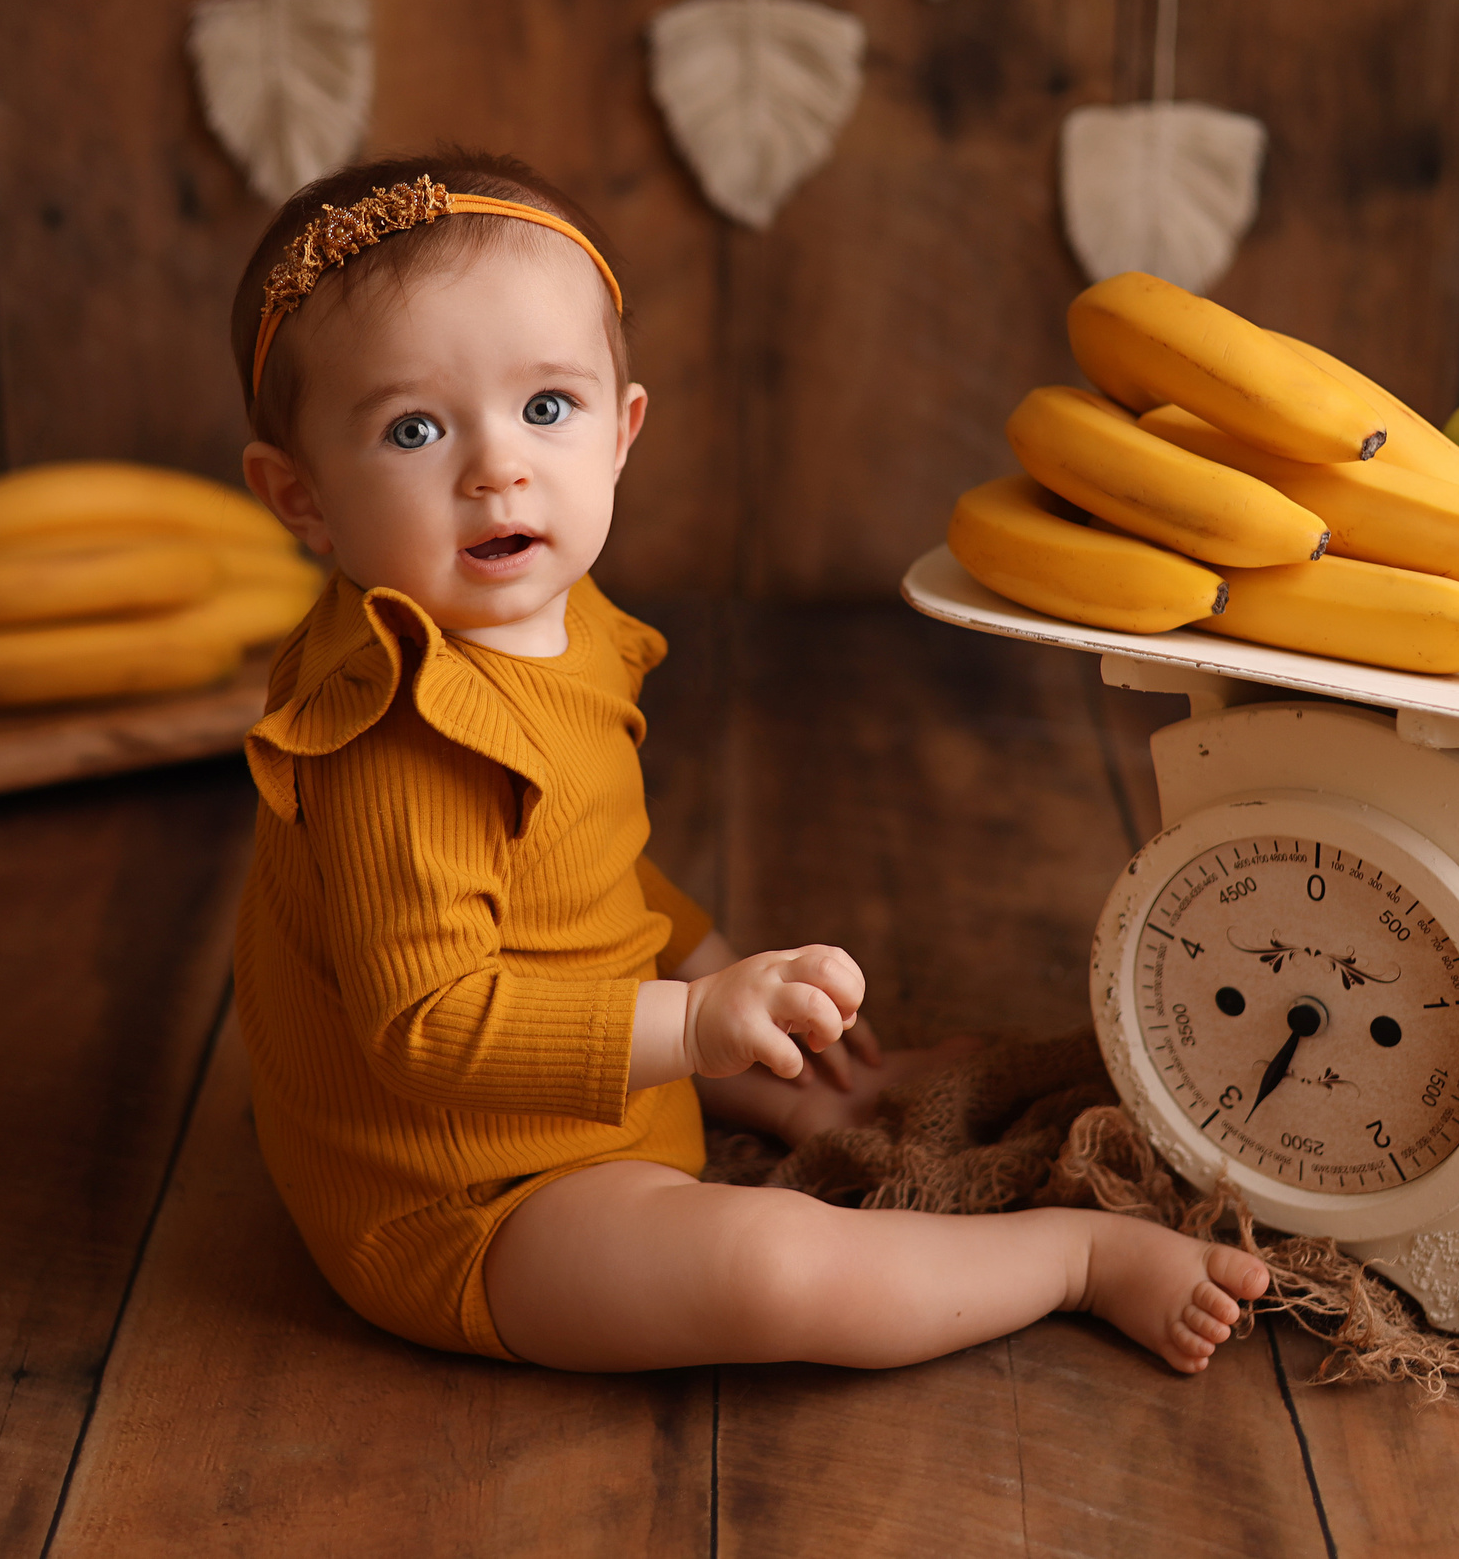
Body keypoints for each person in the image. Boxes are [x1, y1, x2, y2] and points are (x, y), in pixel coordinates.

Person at [231, 151, 1270, 1373]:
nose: (496, 468)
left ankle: (796, 1097)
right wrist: (698, 1020)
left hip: (582, 1090)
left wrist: (711, 972)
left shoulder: (548, 622)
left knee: (749, 1043)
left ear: (621, 431)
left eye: (546, 408)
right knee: (771, 1273)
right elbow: (433, 1028)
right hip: (474, 1195)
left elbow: (584, 872)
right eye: (414, 429)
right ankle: (1074, 1258)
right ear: (299, 496)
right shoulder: (395, 735)